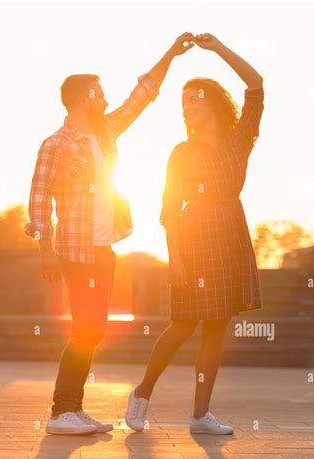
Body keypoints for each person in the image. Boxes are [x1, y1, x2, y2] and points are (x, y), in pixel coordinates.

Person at [25, 33, 195, 435]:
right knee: (86, 328)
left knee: (93, 328)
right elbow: (38, 197)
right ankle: (61, 410)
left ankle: (72, 407)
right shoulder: (56, 144)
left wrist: (170, 53)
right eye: (99, 94)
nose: (105, 100)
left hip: (103, 248)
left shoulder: (105, 133)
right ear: (84, 97)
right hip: (74, 249)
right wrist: (44, 248)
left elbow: (143, 94)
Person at [125, 33, 265, 435]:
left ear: (213, 103)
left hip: (230, 234)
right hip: (194, 236)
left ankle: (200, 415)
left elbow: (255, 84)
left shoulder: (239, 141)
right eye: (184, 100)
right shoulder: (180, 154)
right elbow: (170, 210)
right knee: (183, 324)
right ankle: (142, 393)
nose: (188, 104)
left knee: (216, 330)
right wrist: (177, 260)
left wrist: (219, 48)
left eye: (195, 96)